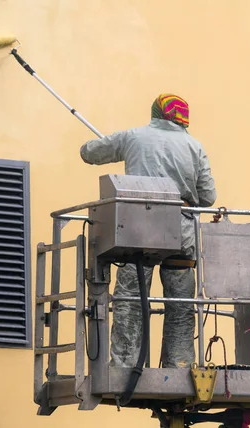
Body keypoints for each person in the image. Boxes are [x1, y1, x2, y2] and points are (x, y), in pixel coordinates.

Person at [79, 94, 216, 368]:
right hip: (181, 231)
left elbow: (89, 152)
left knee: (130, 299)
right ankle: (179, 364)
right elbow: (209, 196)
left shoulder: (133, 137)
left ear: (155, 113)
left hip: (137, 232)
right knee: (180, 304)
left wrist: (121, 149)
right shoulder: (194, 146)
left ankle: (125, 364)